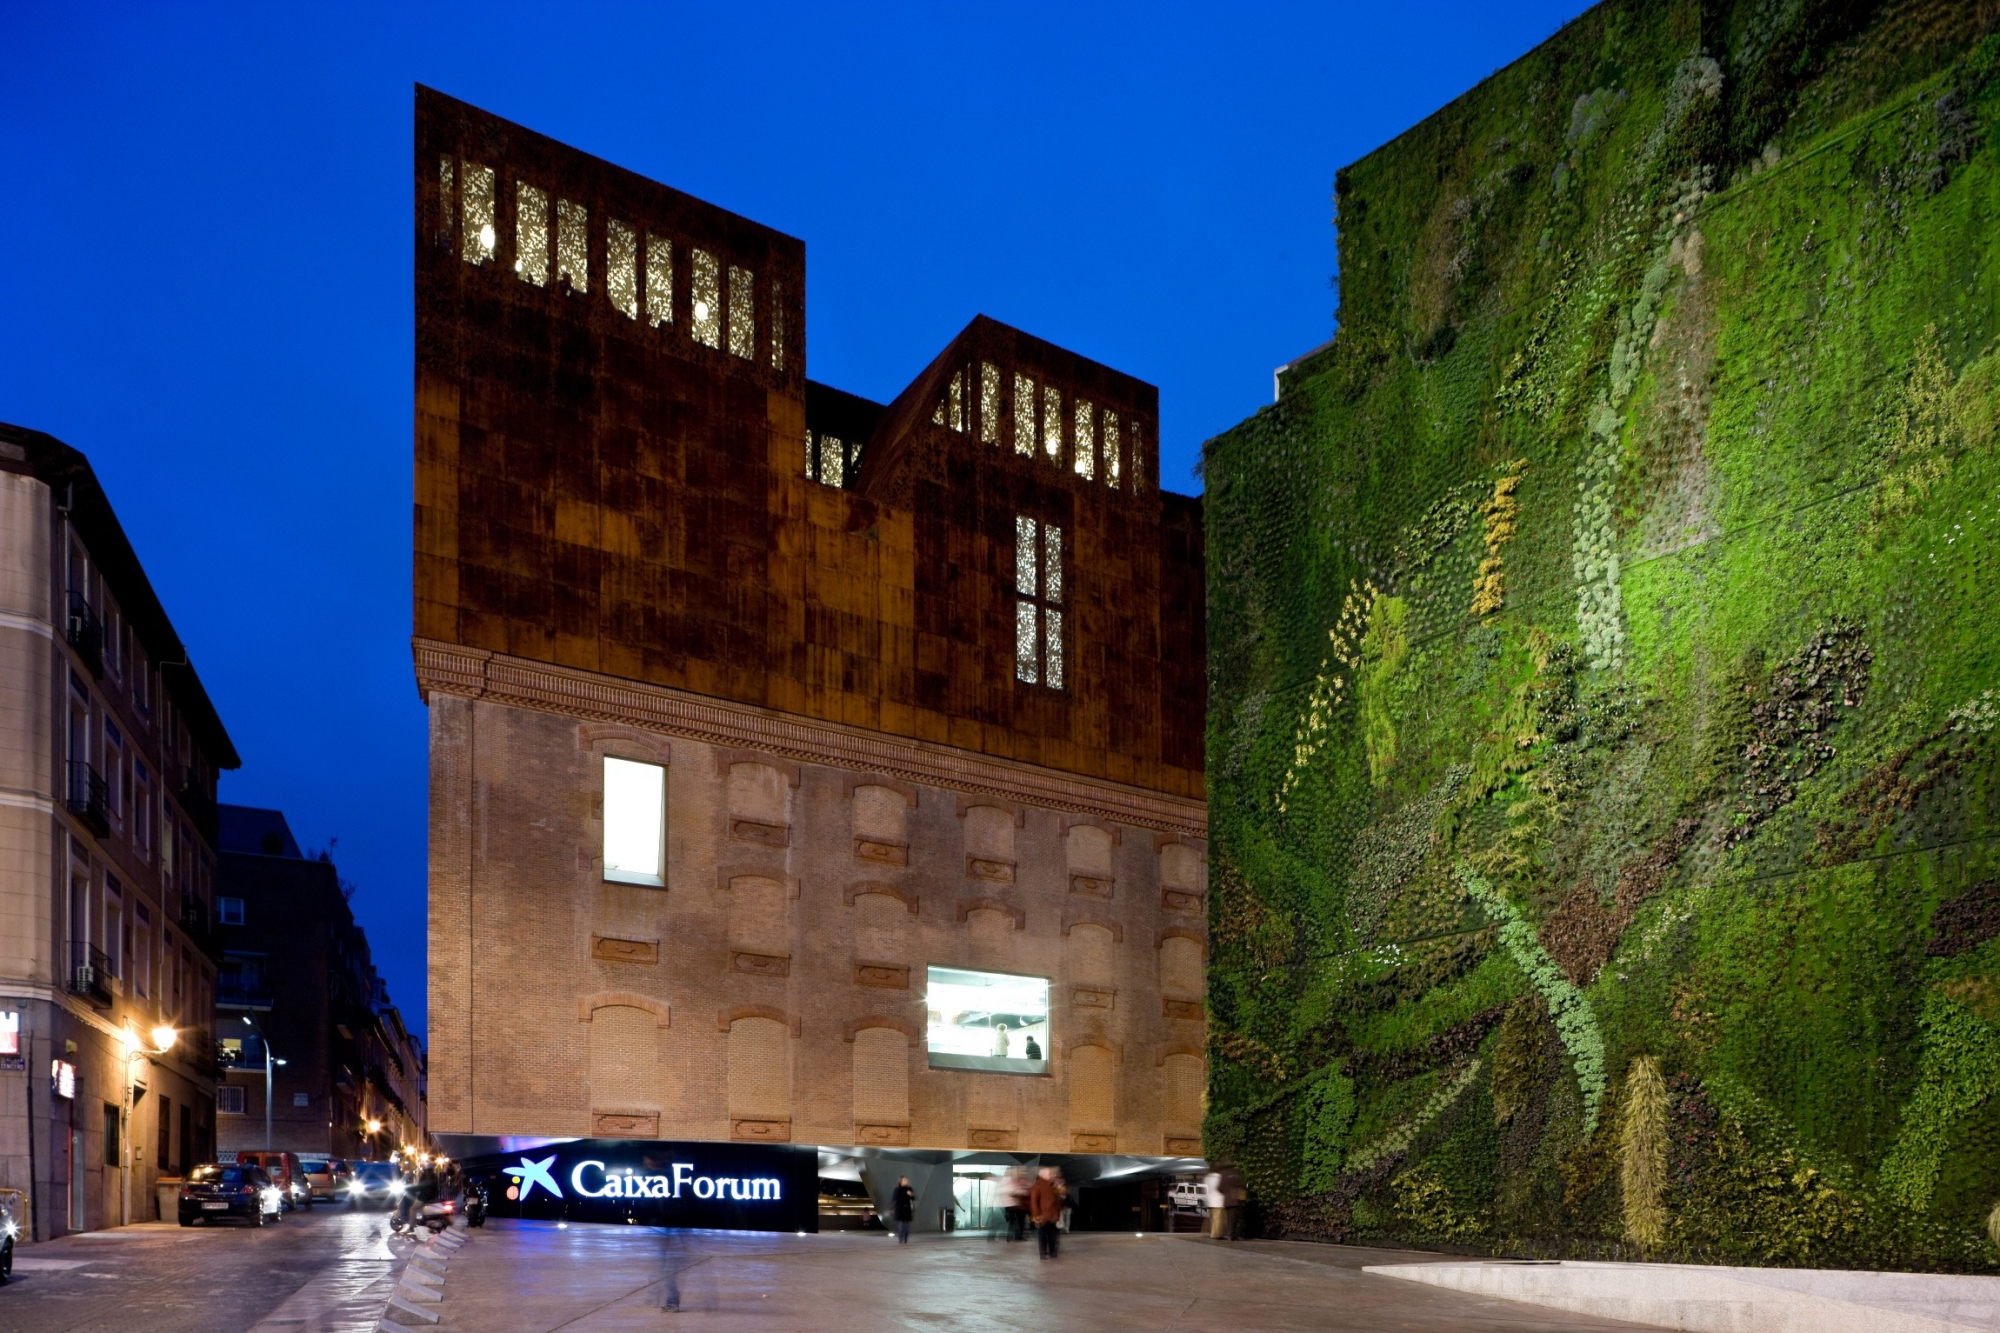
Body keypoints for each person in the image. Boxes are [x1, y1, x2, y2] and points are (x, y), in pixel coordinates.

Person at [1029, 1167, 1064, 1260]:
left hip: (1052, 1214)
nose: (1052, 1175)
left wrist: (1060, 1192)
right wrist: (1036, 1215)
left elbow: (1058, 1199)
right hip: (1043, 1215)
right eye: (1050, 1173)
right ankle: (1043, 1253)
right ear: (1043, 1175)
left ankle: (1052, 1252)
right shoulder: (1038, 1185)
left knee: (1052, 1235)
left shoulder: (1053, 1185)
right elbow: (1034, 1201)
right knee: (1043, 1235)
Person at [1000, 1167, 1029, 1242]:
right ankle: (1013, 1237)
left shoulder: (1014, 1180)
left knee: (1014, 1222)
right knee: (1013, 1222)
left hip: (1014, 1205)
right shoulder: (1009, 1181)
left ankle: (1013, 1236)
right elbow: (1012, 1192)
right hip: (1012, 1205)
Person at [891, 1175, 915, 1244]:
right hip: (900, 1209)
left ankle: (905, 1238)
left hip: (907, 1209)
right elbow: (894, 1199)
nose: (906, 1181)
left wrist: (911, 1195)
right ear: (901, 1181)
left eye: (906, 1180)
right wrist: (892, 1208)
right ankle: (901, 1238)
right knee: (901, 1225)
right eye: (904, 1180)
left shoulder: (909, 1189)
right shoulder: (897, 1189)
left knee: (906, 1226)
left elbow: (913, 1198)